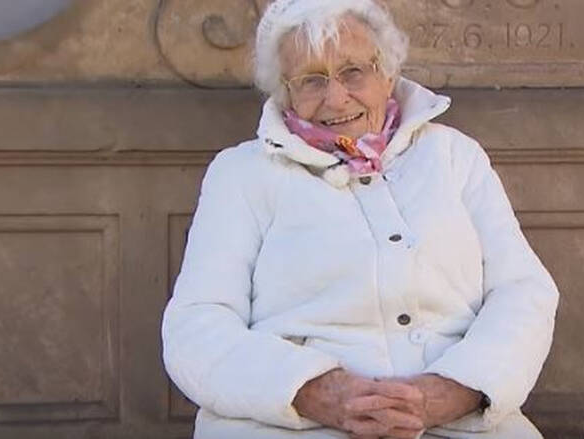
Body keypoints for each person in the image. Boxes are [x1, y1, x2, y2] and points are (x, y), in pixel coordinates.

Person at [161, 0, 559, 438]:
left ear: (387, 74)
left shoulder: (453, 156)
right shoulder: (241, 174)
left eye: (353, 72)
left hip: (457, 424)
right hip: (294, 427)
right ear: (286, 92)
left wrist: (452, 391)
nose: (335, 98)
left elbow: (523, 292)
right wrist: (314, 391)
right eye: (311, 80)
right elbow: (196, 327)